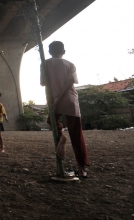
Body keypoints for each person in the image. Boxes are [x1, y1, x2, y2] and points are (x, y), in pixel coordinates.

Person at [41, 41, 90, 178]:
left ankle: (61, 136)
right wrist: (60, 97)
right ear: (64, 51)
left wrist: (55, 98)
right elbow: (70, 82)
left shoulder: (44, 64)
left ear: (50, 52)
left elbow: (44, 83)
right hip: (70, 99)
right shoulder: (70, 64)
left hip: (54, 100)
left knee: (52, 121)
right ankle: (81, 169)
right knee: (77, 135)